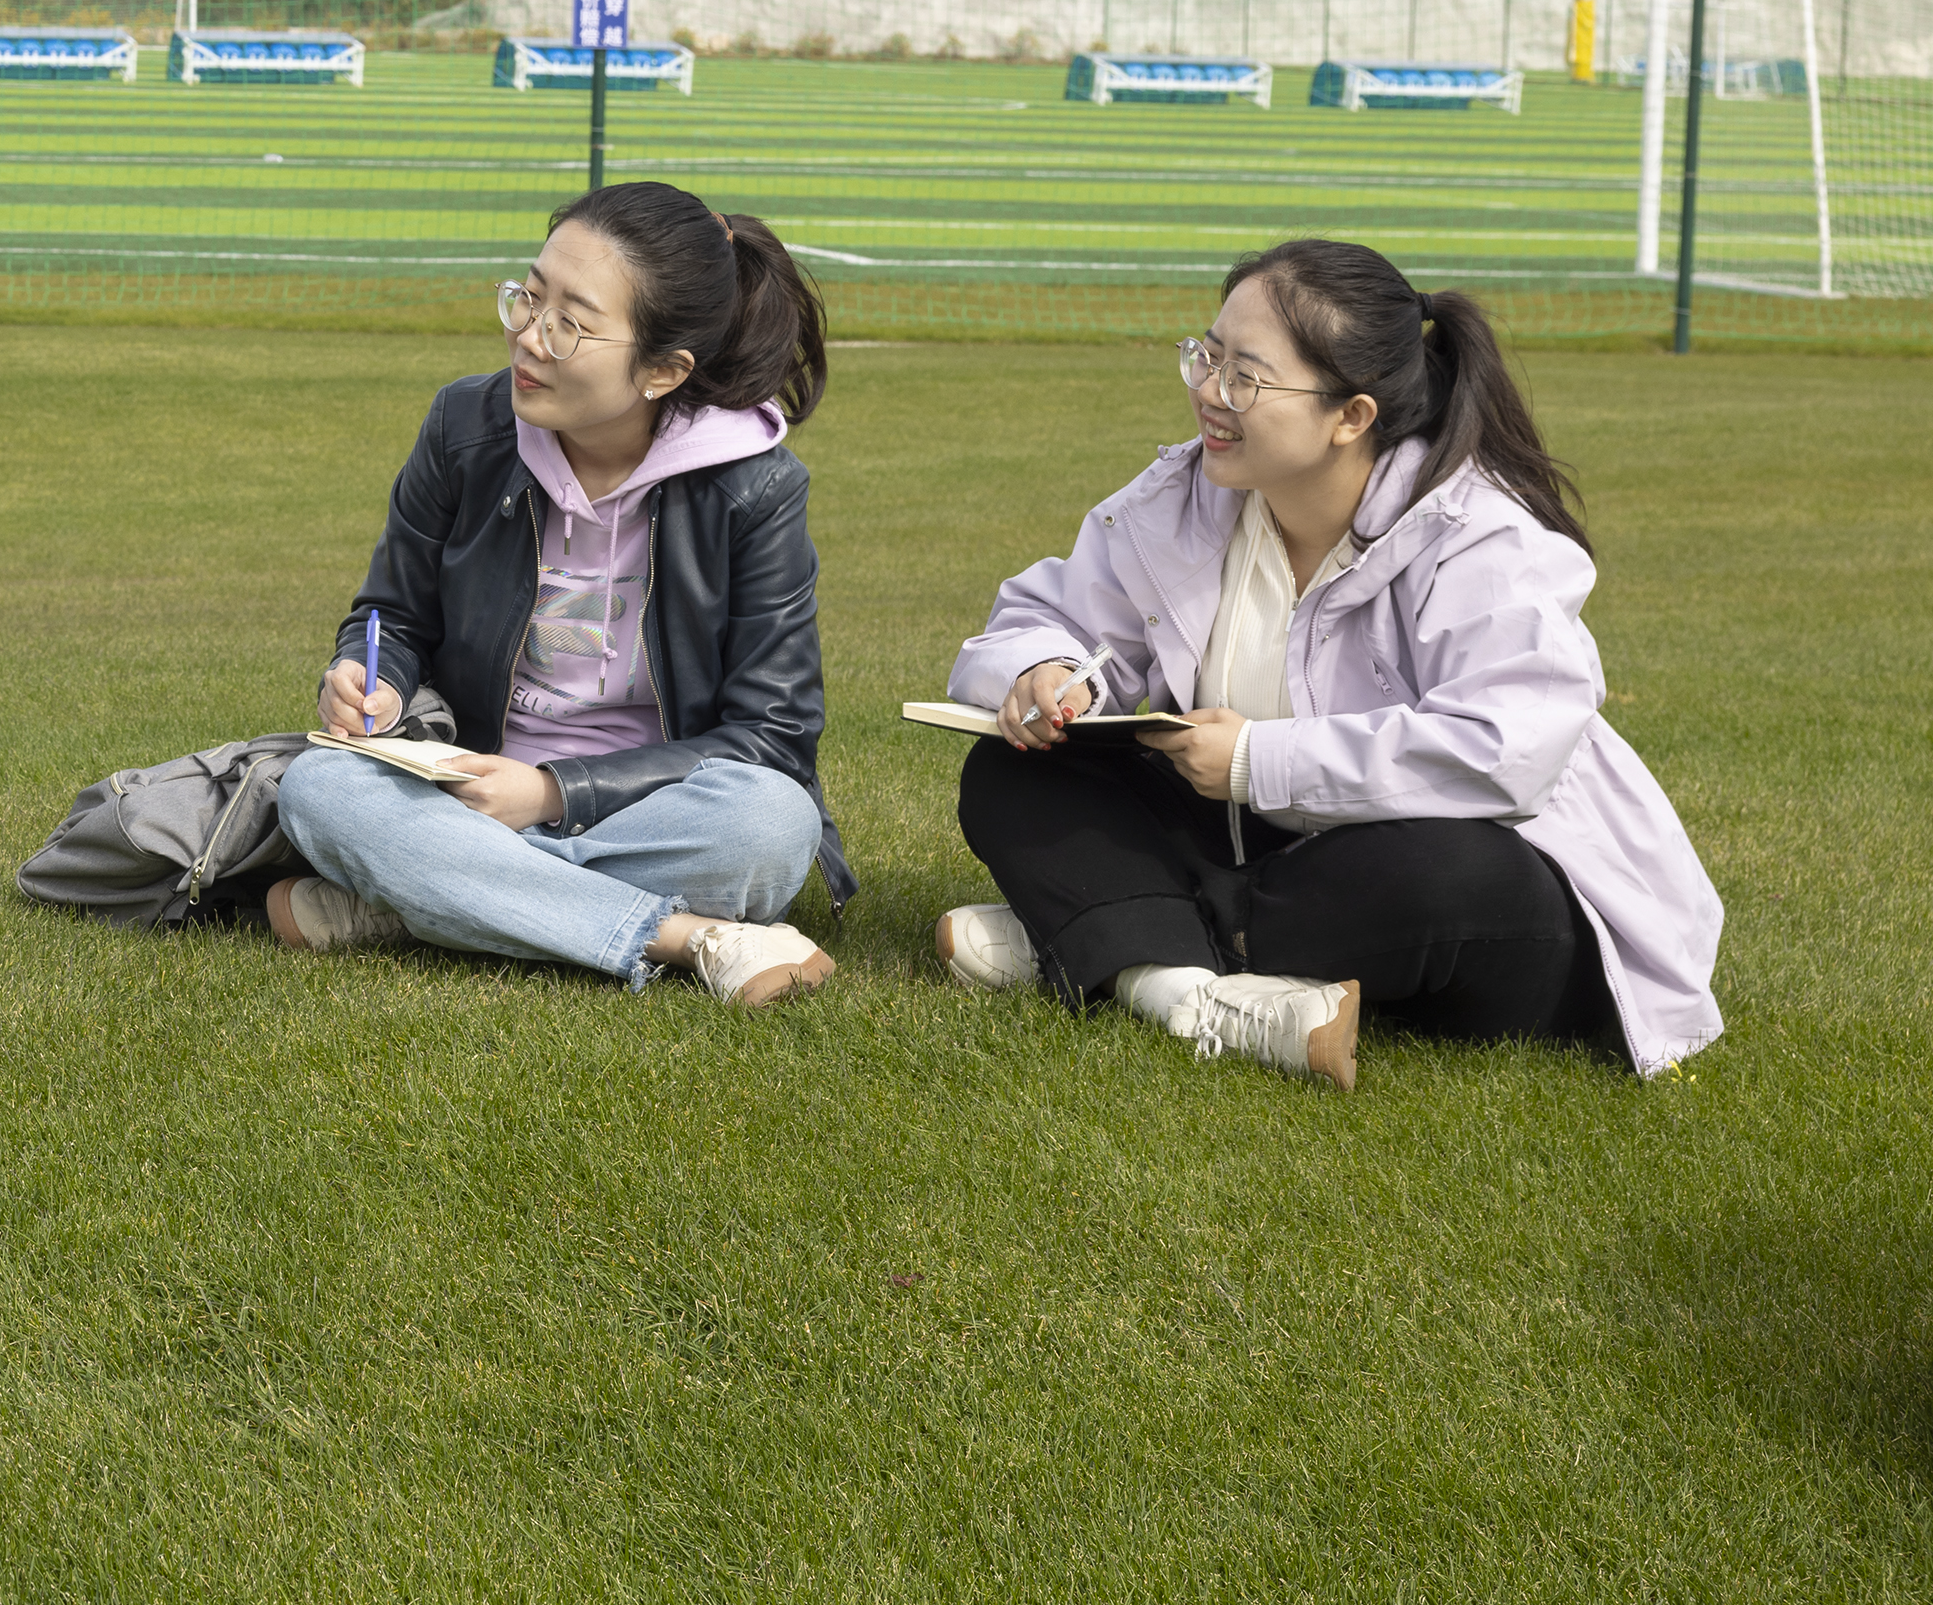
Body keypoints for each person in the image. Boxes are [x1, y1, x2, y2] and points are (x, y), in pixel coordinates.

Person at [937, 238, 1723, 1089]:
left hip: (1479, 899)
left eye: (1246, 374)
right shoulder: (1184, 500)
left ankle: (1104, 933)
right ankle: (1184, 990)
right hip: (1263, 858)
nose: (1209, 391)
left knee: (1437, 875)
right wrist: (1044, 673)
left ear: (1352, 416)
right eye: (1207, 354)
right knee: (1012, 775)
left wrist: (1254, 760)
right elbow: (1047, 618)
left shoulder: (1477, 536)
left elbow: (1507, 753)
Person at [269, 180, 854, 1003]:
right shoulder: (463, 428)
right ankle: (687, 937)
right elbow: (390, 615)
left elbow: (772, 738)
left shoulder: (754, 489)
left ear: (662, 370)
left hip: (651, 806)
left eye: (569, 323)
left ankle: (418, 903)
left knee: (772, 823)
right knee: (321, 788)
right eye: (528, 297)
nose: (528, 339)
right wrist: (375, 675)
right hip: (468, 786)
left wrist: (550, 794)